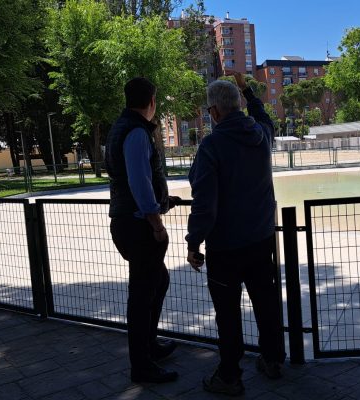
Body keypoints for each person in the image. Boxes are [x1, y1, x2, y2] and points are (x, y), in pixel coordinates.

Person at [186, 72, 286, 396]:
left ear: (213, 112)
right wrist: (248, 90)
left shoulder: (211, 146)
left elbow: (205, 204)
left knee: (228, 315)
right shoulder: (262, 136)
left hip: (226, 248)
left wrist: (193, 241)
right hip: (261, 241)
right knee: (266, 303)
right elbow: (263, 116)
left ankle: (229, 376)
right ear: (238, 105)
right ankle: (272, 359)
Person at [105, 77, 180, 384]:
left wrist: (165, 200)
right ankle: (142, 365)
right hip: (138, 225)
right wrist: (156, 221)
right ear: (151, 102)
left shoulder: (120, 127)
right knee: (141, 296)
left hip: (127, 221)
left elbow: (133, 178)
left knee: (157, 281)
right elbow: (139, 180)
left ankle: (149, 347)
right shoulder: (136, 131)